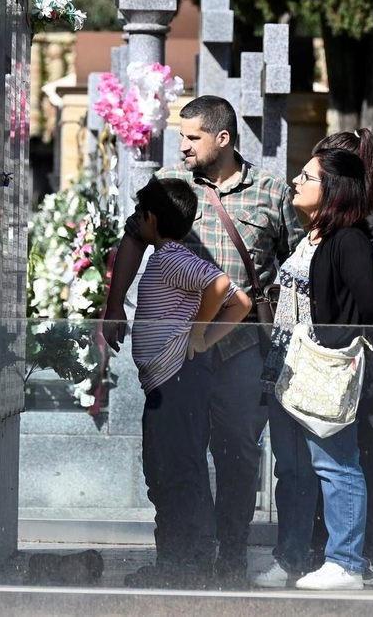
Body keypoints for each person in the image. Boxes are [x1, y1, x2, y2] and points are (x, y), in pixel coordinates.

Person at [103, 95, 301, 584]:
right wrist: (113, 305)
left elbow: (297, 264)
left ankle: (230, 552)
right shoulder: (170, 184)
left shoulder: (271, 191)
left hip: (240, 349)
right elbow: (133, 239)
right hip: (180, 356)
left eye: (193, 137)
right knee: (174, 456)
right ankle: (178, 556)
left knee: (238, 452)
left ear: (223, 138)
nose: (184, 146)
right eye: (182, 136)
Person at [254, 145, 373, 592]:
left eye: (308, 177)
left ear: (333, 189)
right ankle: (291, 558)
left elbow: (371, 306)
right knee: (293, 469)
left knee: (336, 465)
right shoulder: (310, 236)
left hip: (324, 370)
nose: (296, 181)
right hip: (287, 368)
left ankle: (347, 563)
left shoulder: (348, 240)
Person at [127, 177, 252, 587]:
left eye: (138, 214)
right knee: (164, 469)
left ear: (151, 218)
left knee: (178, 470)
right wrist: (203, 333)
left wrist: (200, 333)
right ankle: (174, 561)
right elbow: (238, 301)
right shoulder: (170, 257)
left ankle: (186, 565)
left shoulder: (170, 258)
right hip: (167, 383)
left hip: (177, 380)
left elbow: (225, 290)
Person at [312, 129, 373, 586]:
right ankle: (348, 553)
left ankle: (360, 555)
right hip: (362, 346)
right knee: (354, 456)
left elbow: (370, 298)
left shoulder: (362, 224)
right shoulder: (363, 218)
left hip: (363, 349)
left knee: (361, 456)